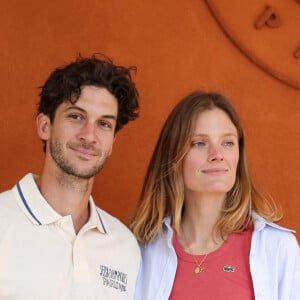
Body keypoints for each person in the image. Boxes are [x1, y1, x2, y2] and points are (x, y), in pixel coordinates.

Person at [130, 91, 300, 300]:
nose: (217, 155)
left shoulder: (279, 248)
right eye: (199, 143)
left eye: (227, 142)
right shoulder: (141, 252)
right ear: (174, 155)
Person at [0, 54, 141, 299]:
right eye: (76, 116)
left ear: (112, 143)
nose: (89, 135)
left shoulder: (125, 247)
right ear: (45, 126)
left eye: (104, 124)